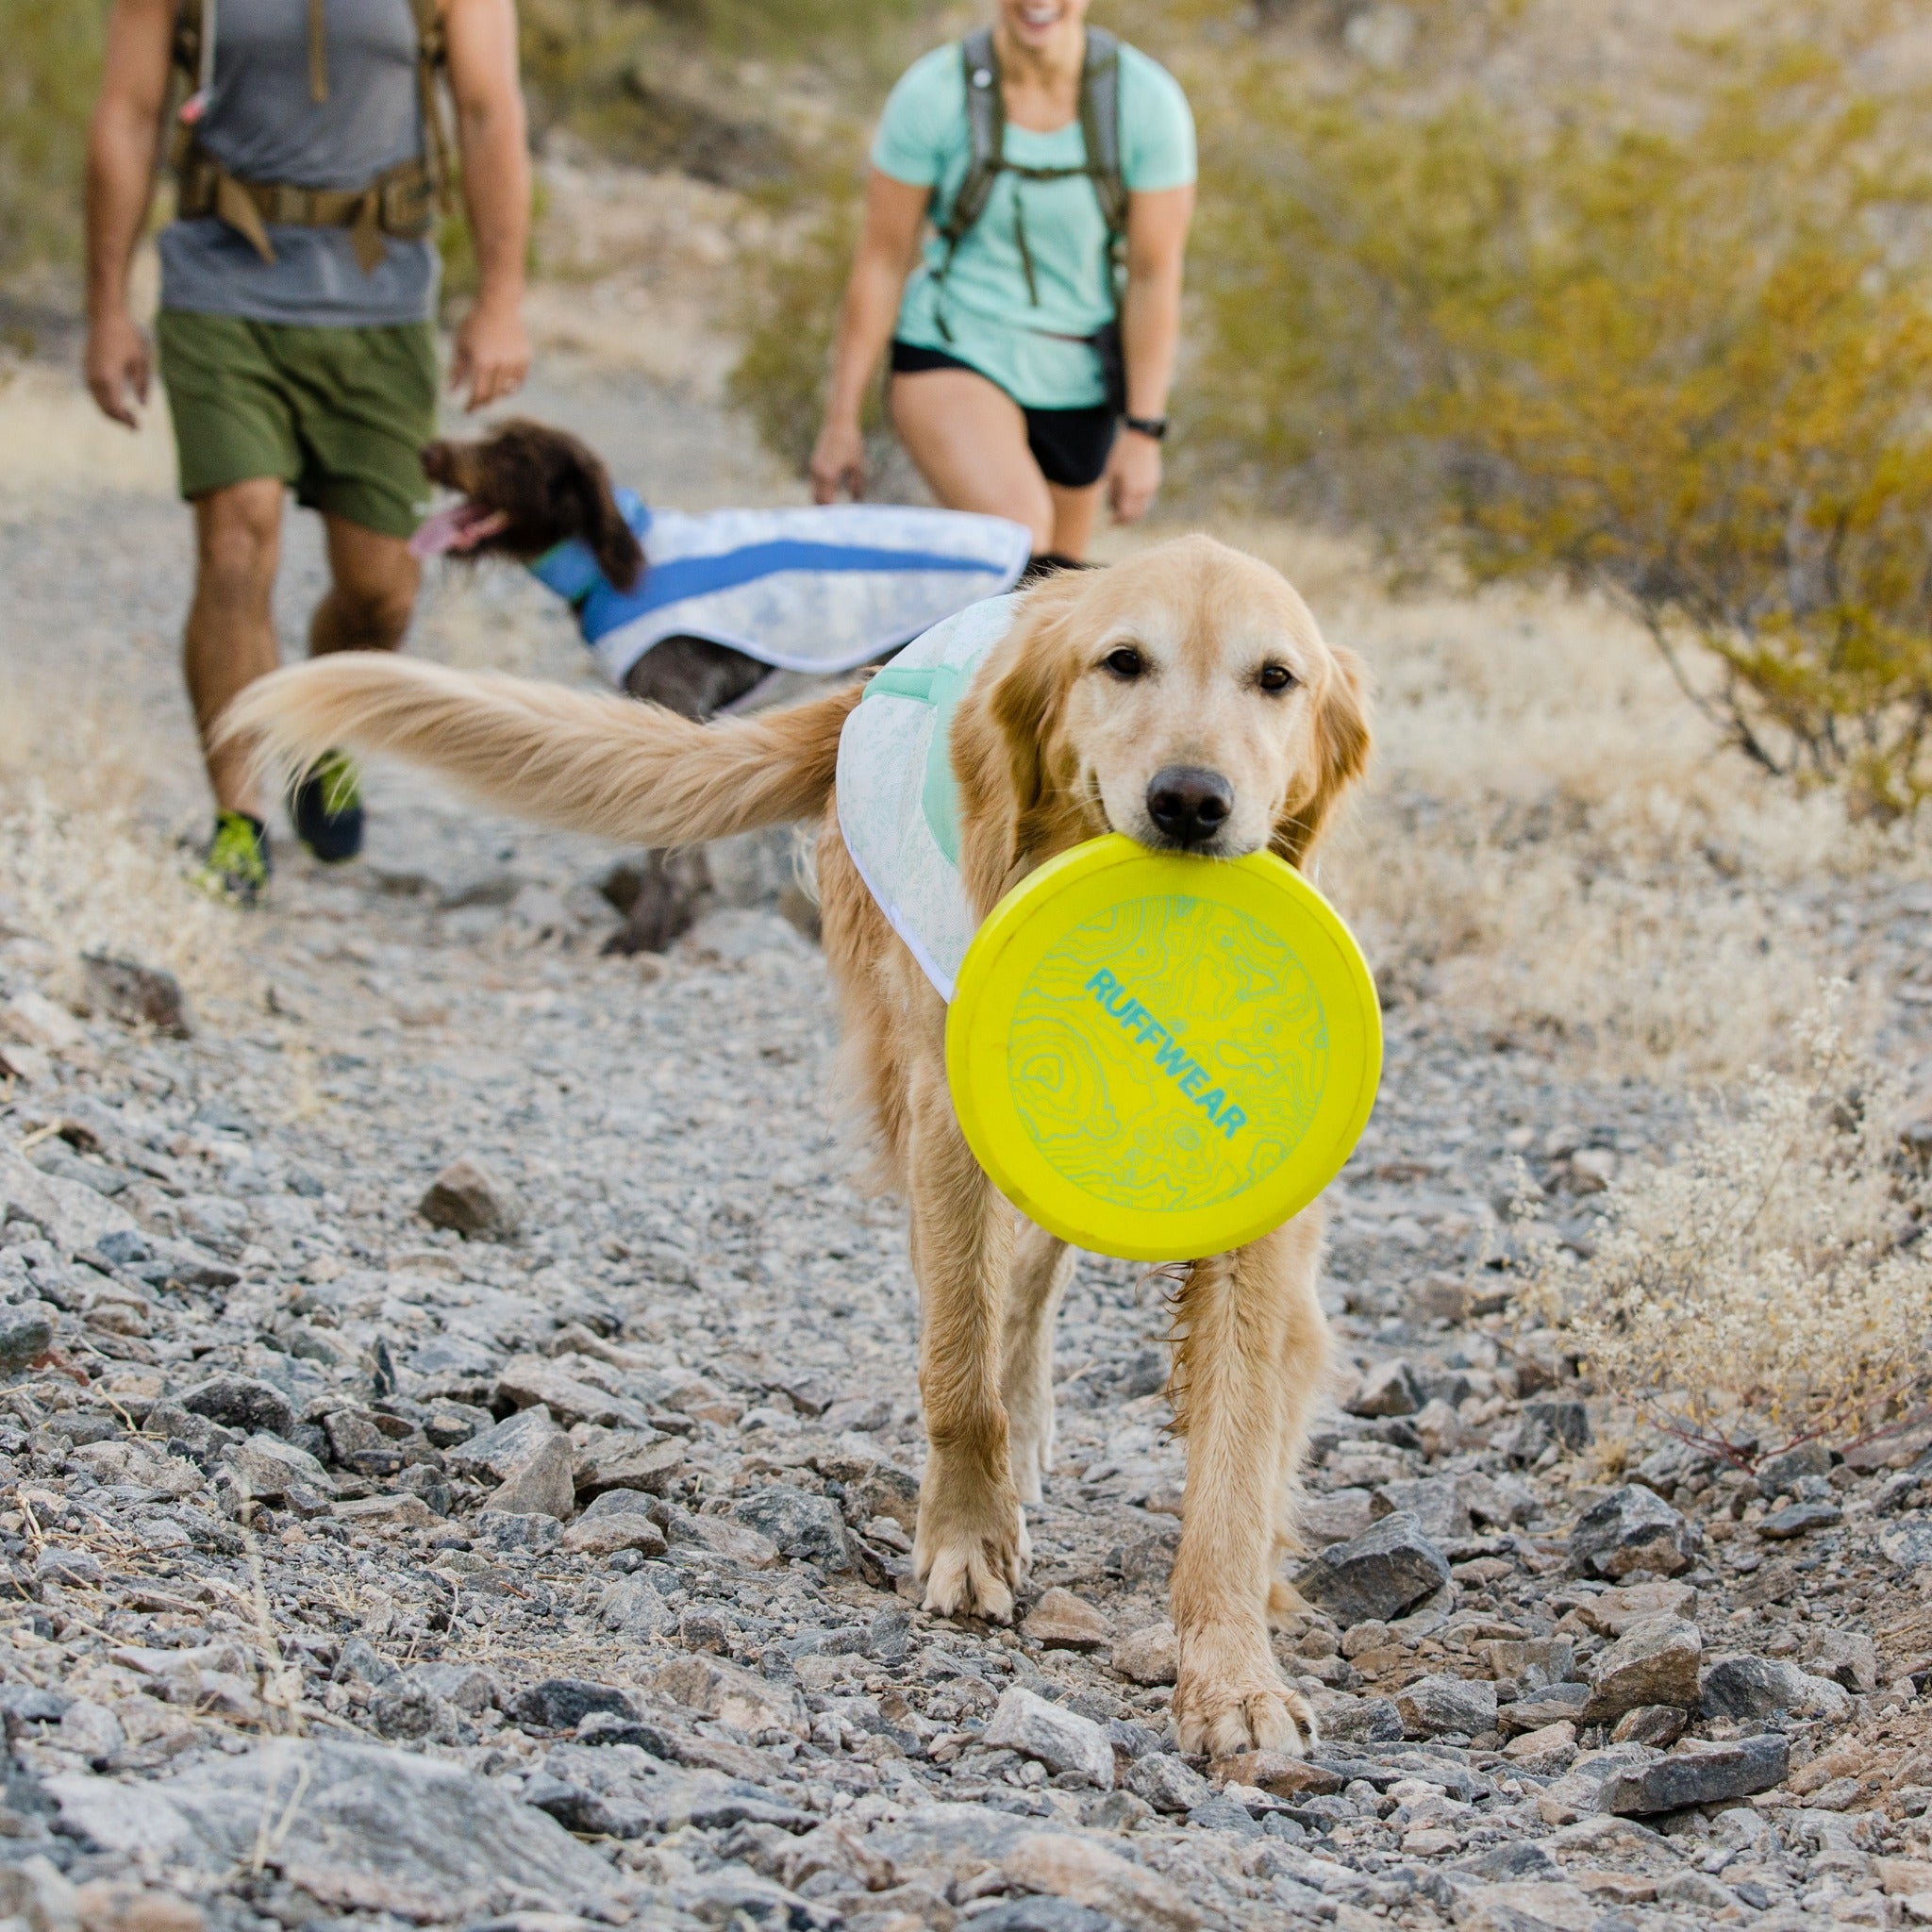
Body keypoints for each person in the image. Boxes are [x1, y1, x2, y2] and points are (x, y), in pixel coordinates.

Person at [83, 0, 531, 902]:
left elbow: (489, 112)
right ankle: (239, 823)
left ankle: (320, 736)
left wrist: (501, 300)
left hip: (381, 303)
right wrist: (104, 311)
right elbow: (128, 116)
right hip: (222, 291)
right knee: (236, 539)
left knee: (380, 590)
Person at [808, 0, 1194, 567]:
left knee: (1054, 610)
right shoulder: (933, 95)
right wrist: (841, 419)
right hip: (953, 346)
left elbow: (1154, 276)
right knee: (1018, 538)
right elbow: (883, 260)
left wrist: (1143, 432)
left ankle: (933, 646)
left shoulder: (1144, 103)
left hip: (1078, 379)